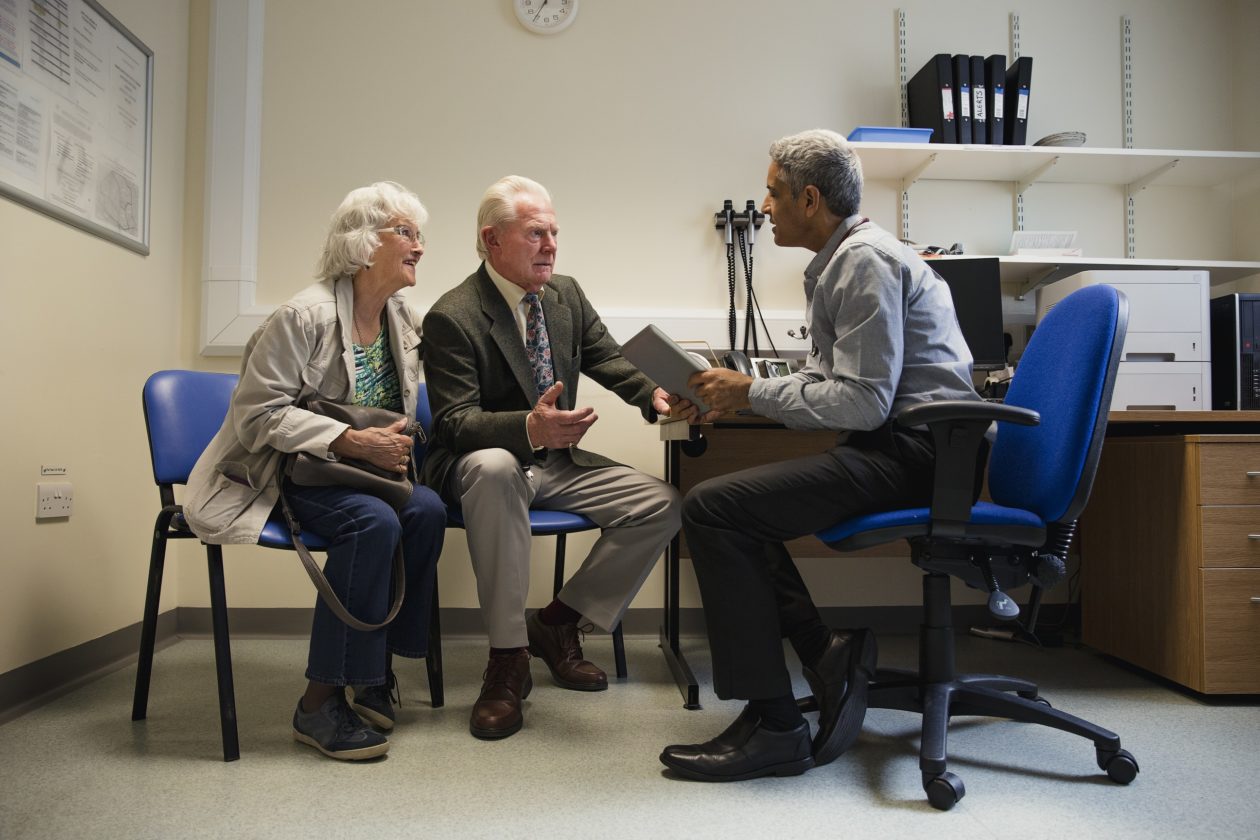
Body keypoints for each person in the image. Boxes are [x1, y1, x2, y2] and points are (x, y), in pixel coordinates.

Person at [658, 130, 982, 782]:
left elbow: (861, 402)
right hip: (903, 447)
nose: (766, 206)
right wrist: (737, 401)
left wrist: (750, 390)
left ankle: (777, 726)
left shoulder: (864, 263)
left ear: (810, 199)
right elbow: (829, 386)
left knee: (715, 508)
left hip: (916, 456)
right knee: (731, 510)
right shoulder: (843, 262)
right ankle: (823, 655)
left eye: (773, 194)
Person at [183, 181, 447, 761]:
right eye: (406, 232)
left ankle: (373, 669)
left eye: (419, 235)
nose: (419, 246)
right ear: (361, 242)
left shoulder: (405, 317)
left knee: (427, 509)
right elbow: (257, 418)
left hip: (359, 474)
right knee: (374, 523)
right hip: (287, 471)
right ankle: (318, 702)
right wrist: (349, 440)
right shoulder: (300, 317)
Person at [421, 175, 688, 740]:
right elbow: (452, 422)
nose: (551, 245)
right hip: (483, 465)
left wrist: (653, 394)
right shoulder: (454, 314)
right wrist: (528, 427)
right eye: (536, 233)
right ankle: (507, 659)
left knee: (662, 504)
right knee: (495, 467)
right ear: (492, 240)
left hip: (557, 465)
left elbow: (608, 358)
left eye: (554, 233)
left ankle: (557, 623)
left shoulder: (564, 294)